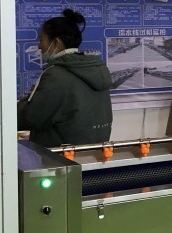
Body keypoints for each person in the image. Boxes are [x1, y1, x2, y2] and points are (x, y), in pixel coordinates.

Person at [17, 8, 114, 146]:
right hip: (93, 152)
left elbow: (28, 117)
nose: (39, 46)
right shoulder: (97, 69)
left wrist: (28, 100)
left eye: (42, 40)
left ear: (56, 42)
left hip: (59, 155)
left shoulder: (56, 75)